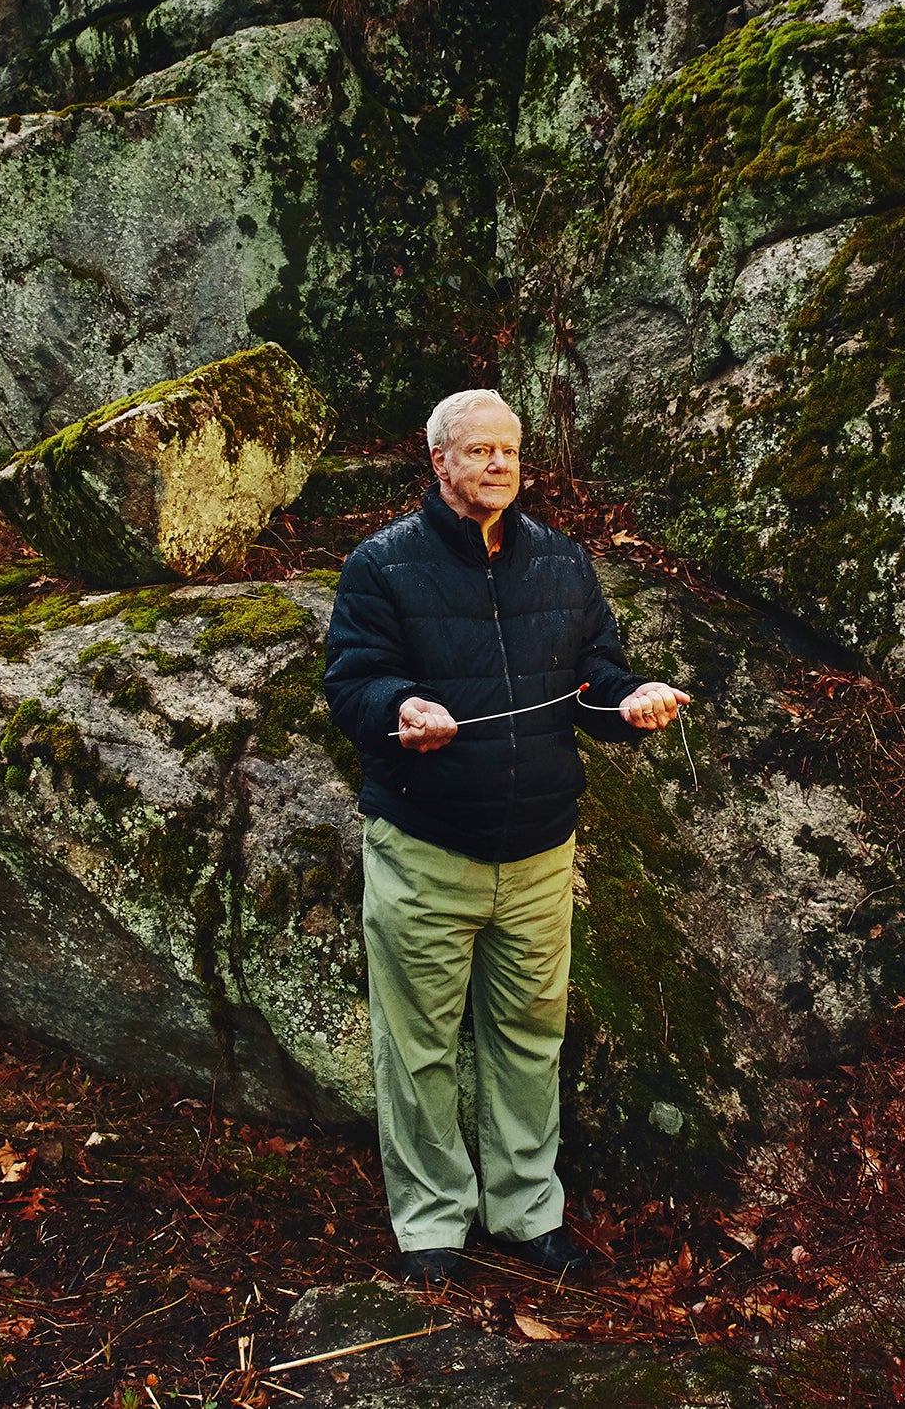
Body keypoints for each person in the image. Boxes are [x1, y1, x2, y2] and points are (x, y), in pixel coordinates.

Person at [323, 388, 688, 1286]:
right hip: (426, 850)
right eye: (479, 451)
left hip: (538, 855)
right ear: (438, 461)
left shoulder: (563, 565)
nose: (498, 466)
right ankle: (432, 1226)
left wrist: (630, 703)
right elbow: (353, 680)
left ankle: (528, 1211)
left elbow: (595, 678)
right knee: (419, 1048)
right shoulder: (383, 566)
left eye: (510, 453)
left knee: (529, 1038)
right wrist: (396, 709)